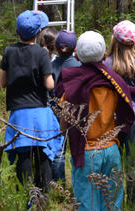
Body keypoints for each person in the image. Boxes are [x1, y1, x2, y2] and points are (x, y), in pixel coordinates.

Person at [56, 31, 135, 211]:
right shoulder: (114, 82)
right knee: (112, 204)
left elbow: (64, 124)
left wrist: (63, 132)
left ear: (76, 55)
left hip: (86, 153)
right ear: (105, 55)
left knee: (87, 205)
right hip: (111, 150)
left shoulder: (72, 84)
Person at [1, 10, 63, 203]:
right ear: (38, 33)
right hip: (40, 111)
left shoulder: (9, 51)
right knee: (43, 155)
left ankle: (27, 197)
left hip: (19, 113)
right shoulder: (42, 53)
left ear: (17, 31)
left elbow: (2, 82)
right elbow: (49, 85)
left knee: (23, 156)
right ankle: (42, 199)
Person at [104, 20, 135, 208]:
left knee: (112, 165)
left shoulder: (106, 63)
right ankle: (134, 206)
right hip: (134, 117)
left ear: (114, 41)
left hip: (111, 118)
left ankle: (112, 204)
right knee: (134, 164)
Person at [49, 30, 80, 185]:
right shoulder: (80, 66)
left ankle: (58, 183)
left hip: (54, 113)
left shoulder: (48, 66)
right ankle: (78, 183)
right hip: (76, 113)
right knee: (77, 148)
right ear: (75, 49)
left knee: (58, 150)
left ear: (55, 48)